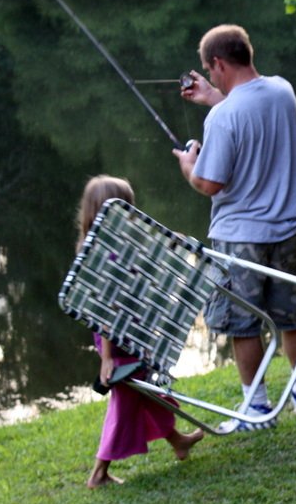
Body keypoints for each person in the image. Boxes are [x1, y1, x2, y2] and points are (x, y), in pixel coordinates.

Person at [173, 24, 296, 431]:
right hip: (288, 229)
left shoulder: (224, 117)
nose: (210, 75)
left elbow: (210, 183)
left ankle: (255, 409)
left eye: (209, 69)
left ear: (218, 63)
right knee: (292, 314)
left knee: (243, 322)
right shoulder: (283, 92)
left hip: (241, 238)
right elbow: (248, 109)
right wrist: (213, 98)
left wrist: (189, 166)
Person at [76, 175, 204, 488]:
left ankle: (178, 442)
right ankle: (98, 473)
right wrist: (107, 356)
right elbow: (105, 309)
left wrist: (172, 239)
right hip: (116, 339)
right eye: (127, 208)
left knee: (146, 394)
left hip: (131, 334)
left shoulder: (117, 243)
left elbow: (153, 250)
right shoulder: (107, 256)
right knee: (125, 403)